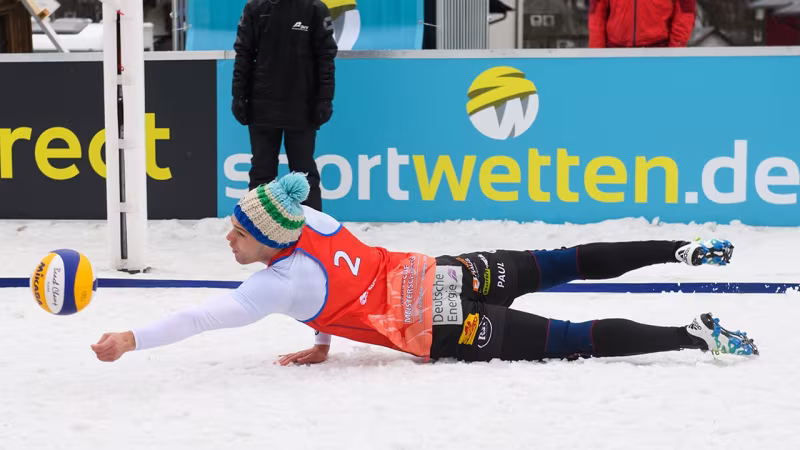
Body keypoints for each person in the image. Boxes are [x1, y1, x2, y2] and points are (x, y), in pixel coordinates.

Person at [91, 173, 757, 365]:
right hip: (449, 275)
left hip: (439, 330)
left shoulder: (273, 286)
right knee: (568, 261)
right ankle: (681, 248)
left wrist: (129, 338)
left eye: (239, 231)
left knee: (571, 339)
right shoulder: (312, 220)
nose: (227, 238)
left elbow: (199, 318)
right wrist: (323, 337)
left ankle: (693, 336)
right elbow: (323, 282)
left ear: (269, 240)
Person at [231, 0, 337, 211]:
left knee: (303, 174)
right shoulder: (255, 7)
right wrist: (239, 95)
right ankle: (257, 228)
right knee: (261, 174)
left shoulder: (314, 8)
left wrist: (325, 99)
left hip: (302, 107)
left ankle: (310, 228)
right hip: (262, 107)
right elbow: (243, 54)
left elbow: (326, 57)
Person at [589, 0, 697, 48]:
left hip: (659, 51)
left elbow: (685, 11)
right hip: (615, 52)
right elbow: (597, 12)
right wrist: (597, 54)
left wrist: (675, 49)